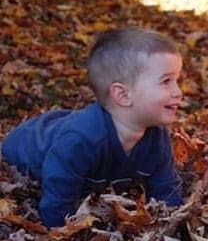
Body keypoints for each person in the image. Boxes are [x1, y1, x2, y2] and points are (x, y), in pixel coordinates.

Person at [1, 27, 184, 228]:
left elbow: (167, 187)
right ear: (123, 95)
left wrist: (171, 224)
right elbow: (57, 200)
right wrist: (61, 233)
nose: (178, 91)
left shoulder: (156, 135)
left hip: (75, 132)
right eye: (166, 81)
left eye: (177, 80)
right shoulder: (81, 140)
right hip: (24, 147)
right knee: (64, 136)